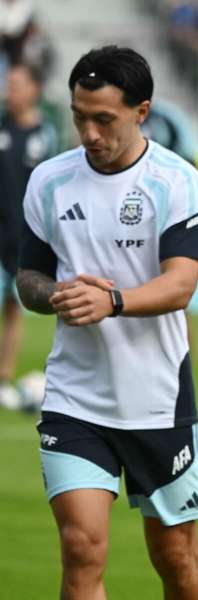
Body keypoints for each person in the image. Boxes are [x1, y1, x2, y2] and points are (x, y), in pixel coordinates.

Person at [16, 46, 198, 599]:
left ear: (141, 111)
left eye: (105, 119)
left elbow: (182, 283)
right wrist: (55, 294)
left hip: (158, 399)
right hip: (75, 397)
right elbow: (27, 278)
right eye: (80, 116)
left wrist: (115, 302)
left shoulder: (176, 180)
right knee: (81, 548)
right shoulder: (48, 181)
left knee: (176, 559)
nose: (90, 132)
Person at [0, 62, 58, 409]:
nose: (10, 90)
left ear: (34, 90)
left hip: (24, 239)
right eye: (8, 83)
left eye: (17, 84)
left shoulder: (46, 135)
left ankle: (4, 377)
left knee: (14, 307)